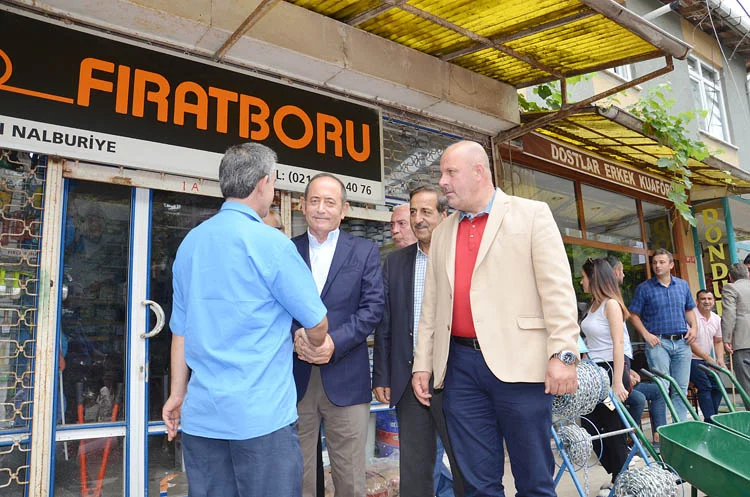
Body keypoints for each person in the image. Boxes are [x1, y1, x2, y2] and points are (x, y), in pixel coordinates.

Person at [412, 140, 579, 497]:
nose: (442, 182)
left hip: (521, 366)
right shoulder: (442, 233)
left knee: (534, 481)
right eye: (442, 173)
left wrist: (564, 355)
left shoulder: (531, 214)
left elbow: (558, 291)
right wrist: (422, 364)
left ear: (479, 172)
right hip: (460, 369)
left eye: (450, 172)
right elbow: (431, 308)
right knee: (476, 485)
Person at [163, 143, 329, 497]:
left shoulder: (191, 244)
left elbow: (180, 331)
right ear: (264, 183)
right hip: (262, 421)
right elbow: (316, 323)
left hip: (202, 417)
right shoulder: (272, 244)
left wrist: (177, 393)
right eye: (274, 183)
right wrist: (316, 343)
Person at [291, 173, 385, 497]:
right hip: (296, 379)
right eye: (314, 200)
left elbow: (373, 308)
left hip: (346, 376)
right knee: (298, 476)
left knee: (349, 478)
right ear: (303, 206)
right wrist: (297, 336)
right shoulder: (287, 250)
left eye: (330, 202)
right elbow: (274, 307)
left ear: (344, 210)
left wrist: (334, 342)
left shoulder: (364, 250)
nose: (321, 208)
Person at [373, 185, 463, 497]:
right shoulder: (395, 263)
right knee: (415, 472)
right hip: (410, 383)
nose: (418, 219)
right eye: (413, 212)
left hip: (457, 378)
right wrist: (382, 376)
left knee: (466, 466)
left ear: (444, 215)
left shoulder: (460, 258)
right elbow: (385, 323)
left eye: (426, 211)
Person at [579, 258, 631, 494]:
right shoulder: (592, 306)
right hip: (594, 372)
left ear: (594, 278)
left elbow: (618, 344)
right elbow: (589, 343)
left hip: (611, 369)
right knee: (590, 427)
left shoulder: (611, 305)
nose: (581, 282)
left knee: (612, 427)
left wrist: (618, 381)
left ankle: (619, 478)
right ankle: (618, 470)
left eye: (584, 277)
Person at [629, 249, 697, 422]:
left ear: (671, 265)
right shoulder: (644, 288)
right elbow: (633, 315)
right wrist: (646, 334)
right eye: (655, 263)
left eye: (662, 262)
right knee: (661, 387)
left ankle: (679, 426)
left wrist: (694, 328)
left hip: (682, 342)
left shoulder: (682, 285)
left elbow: (689, 310)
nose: (657, 266)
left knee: (681, 388)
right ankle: (661, 429)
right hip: (658, 343)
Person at [689, 290, 725, 422]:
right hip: (691, 359)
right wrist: (708, 358)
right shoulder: (691, 316)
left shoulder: (716, 318)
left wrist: (720, 359)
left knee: (719, 387)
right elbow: (690, 342)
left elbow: (718, 341)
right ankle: (710, 420)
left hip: (707, 360)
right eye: (703, 299)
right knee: (705, 387)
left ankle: (713, 418)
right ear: (697, 301)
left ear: (714, 301)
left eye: (709, 299)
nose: (707, 302)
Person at [721, 263, 750, 396]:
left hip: (742, 341)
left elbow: (729, 314)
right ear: (747, 273)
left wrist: (726, 338)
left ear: (730, 276)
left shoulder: (731, 288)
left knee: (746, 384)